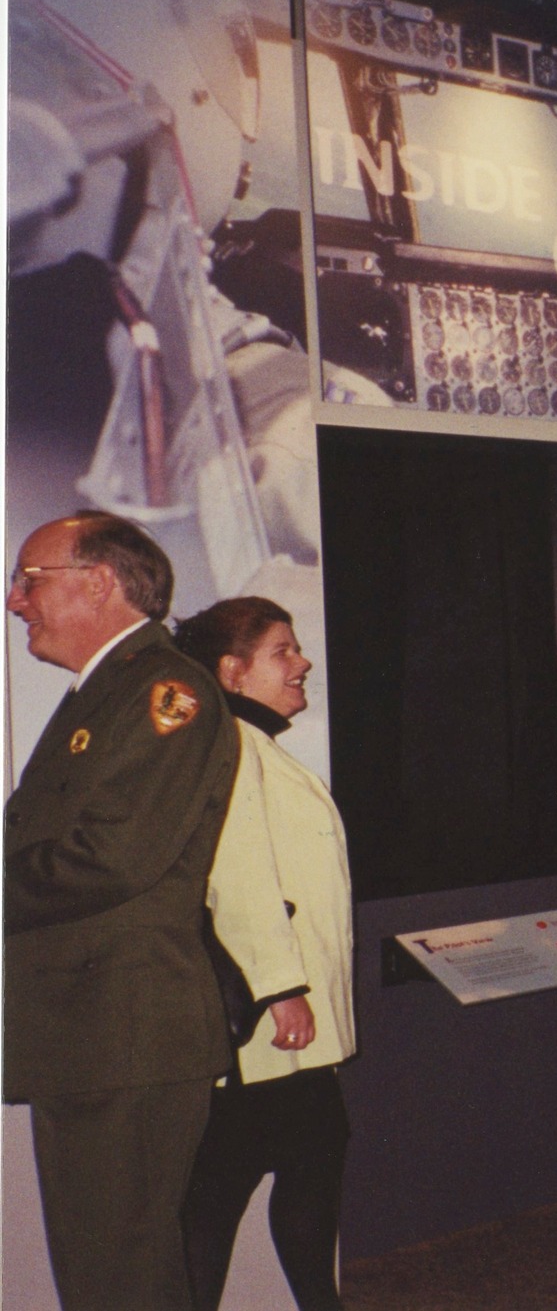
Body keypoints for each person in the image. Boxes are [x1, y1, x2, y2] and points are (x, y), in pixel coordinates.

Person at [4, 510, 239, 1309]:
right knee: (102, 1272)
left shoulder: (162, 692)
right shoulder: (101, 693)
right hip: (88, 1032)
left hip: (124, 1033)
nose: (13, 600)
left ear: (99, 582)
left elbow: (112, 856)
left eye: (29, 578)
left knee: (122, 1276)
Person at [174, 598, 356, 1311]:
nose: (302, 662)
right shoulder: (232, 748)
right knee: (221, 1197)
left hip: (282, 1028)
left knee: (294, 1169)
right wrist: (283, 988)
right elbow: (239, 877)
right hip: (268, 1027)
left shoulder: (255, 747)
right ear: (233, 669)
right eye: (284, 651)